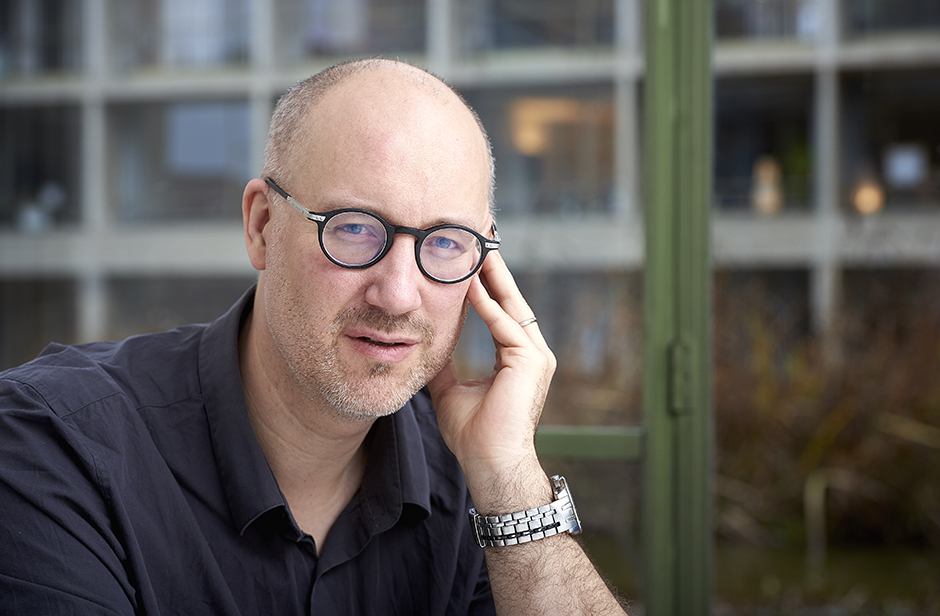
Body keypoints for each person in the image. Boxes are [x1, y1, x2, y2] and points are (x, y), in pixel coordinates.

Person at [0, 58, 627, 615]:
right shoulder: (55, 448)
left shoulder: (474, 485)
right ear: (262, 226)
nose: (398, 295)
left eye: (444, 242)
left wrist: (511, 480)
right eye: (354, 228)